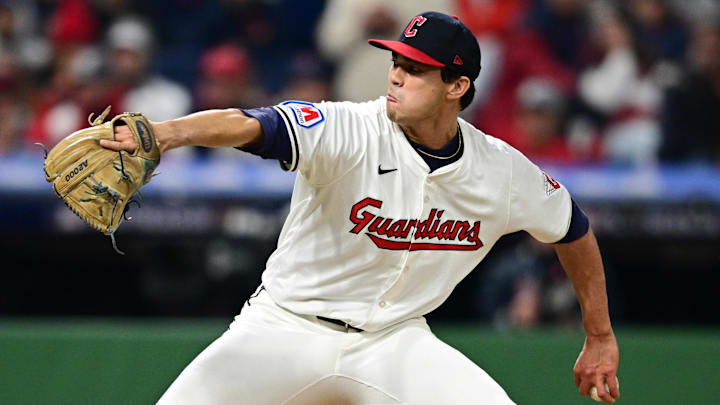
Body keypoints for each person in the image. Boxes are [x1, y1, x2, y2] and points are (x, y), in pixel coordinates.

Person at [101, 12, 620, 404]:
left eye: (415, 69)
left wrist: (598, 334)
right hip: (284, 327)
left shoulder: (500, 170)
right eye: (396, 62)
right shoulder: (349, 126)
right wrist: (165, 134)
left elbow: (571, 227)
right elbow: (253, 124)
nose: (395, 75)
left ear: (457, 87)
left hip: (394, 342)